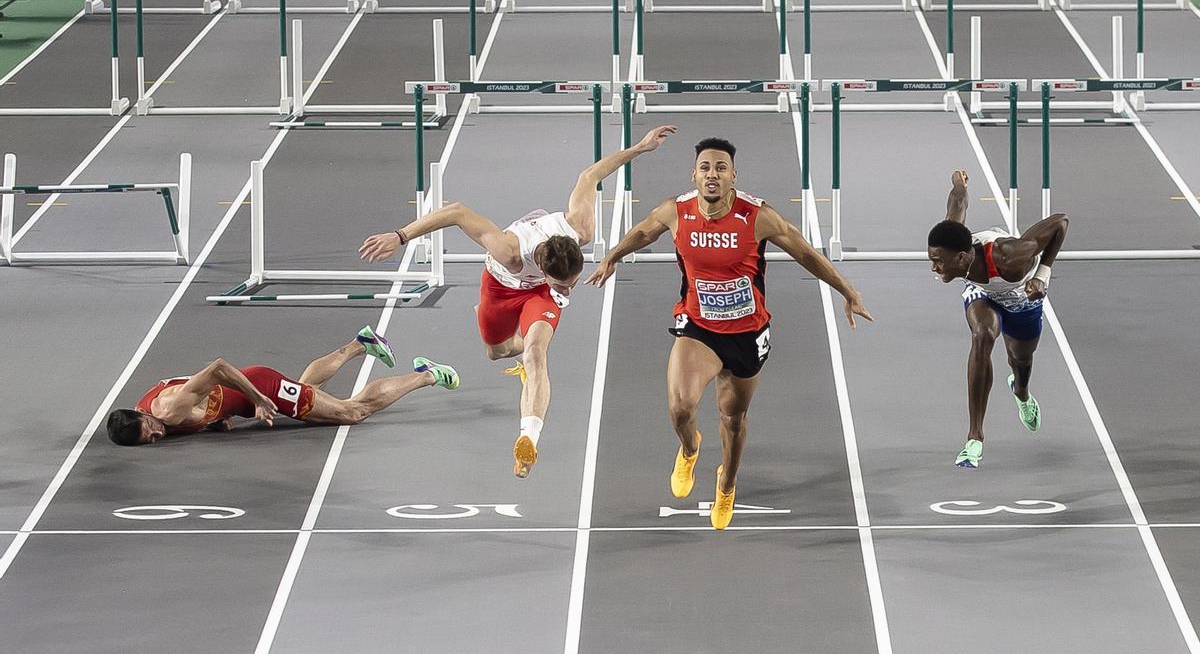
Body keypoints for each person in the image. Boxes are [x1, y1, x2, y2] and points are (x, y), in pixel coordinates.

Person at [586, 137, 873, 530]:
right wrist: (611, 257)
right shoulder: (678, 211)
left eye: (721, 168)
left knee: (733, 418)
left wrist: (848, 291)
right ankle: (689, 449)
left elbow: (805, 252)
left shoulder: (757, 217)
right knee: (680, 407)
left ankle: (727, 484)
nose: (712, 175)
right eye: (705, 167)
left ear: (733, 176)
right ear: (695, 175)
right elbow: (643, 231)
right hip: (698, 327)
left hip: (747, 333)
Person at [360, 125, 677, 478]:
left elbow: (590, 174)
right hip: (501, 287)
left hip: (539, 294)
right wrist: (400, 236)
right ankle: (520, 347)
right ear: (542, 267)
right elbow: (457, 212)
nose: (571, 290)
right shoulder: (508, 250)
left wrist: (640, 147)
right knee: (496, 352)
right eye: (565, 284)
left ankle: (528, 438)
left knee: (536, 353)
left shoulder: (580, 227)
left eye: (571, 283)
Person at [927, 170, 1069, 469]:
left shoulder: (1011, 258)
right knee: (983, 335)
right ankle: (974, 437)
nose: (934, 267)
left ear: (963, 257)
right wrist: (958, 184)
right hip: (982, 293)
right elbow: (958, 203)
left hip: (1021, 296)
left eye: (939, 261)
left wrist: (1041, 276)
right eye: (932, 260)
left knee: (1021, 360)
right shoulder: (953, 234)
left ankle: (1020, 390)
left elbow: (1060, 222)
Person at [106, 326, 458, 446]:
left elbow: (218, 368)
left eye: (149, 430)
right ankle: (360, 343)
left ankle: (425, 374)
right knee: (308, 388)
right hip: (246, 396)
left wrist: (258, 399)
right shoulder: (146, 411)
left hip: (261, 388)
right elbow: (199, 391)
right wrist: (216, 416)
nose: (155, 435)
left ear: (144, 415)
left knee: (351, 412)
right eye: (147, 440)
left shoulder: (169, 409)